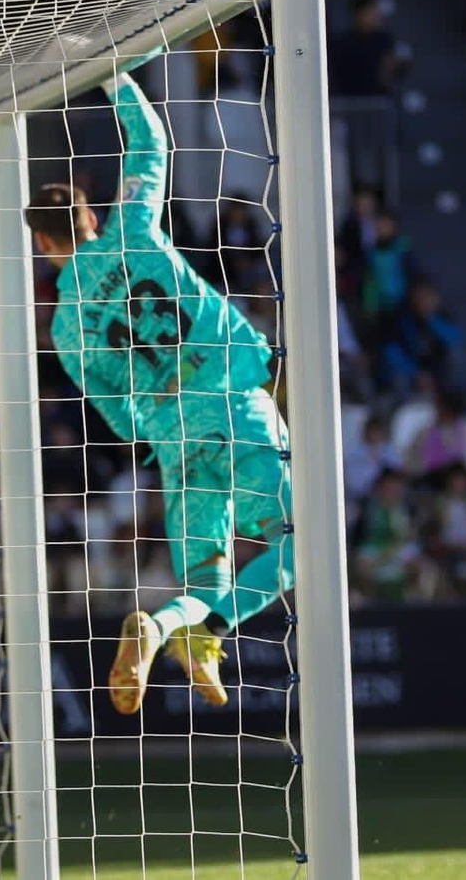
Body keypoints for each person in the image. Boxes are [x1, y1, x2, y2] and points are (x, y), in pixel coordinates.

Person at [24, 72, 291, 715]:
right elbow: (151, 139)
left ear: (42, 244)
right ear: (89, 215)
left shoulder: (65, 329)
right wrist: (113, 73)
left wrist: (162, 422)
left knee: (206, 576)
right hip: (231, 399)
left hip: (176, 440)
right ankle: (211, 631)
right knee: (293, 545)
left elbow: (116, 412)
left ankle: (167, 626)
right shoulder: (135, 227)